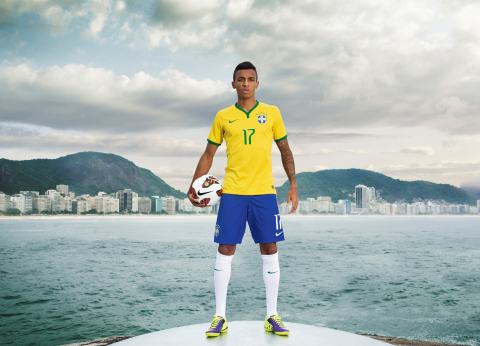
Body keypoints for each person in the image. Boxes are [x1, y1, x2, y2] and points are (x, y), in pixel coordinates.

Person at [187, 61, 298, 338]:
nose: (246, 83)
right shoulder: (223, 116)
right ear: (233, 83)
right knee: (225, 251)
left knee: (270, 250)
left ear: (257, 84)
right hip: (233, 193)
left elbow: (285, 150)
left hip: (264, 193)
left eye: (251, 79)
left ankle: (272, 315)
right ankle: (220, 317)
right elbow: (208, 154)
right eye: (241, 79)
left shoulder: (272, 113)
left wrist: (293, 185)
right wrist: (193, 187)